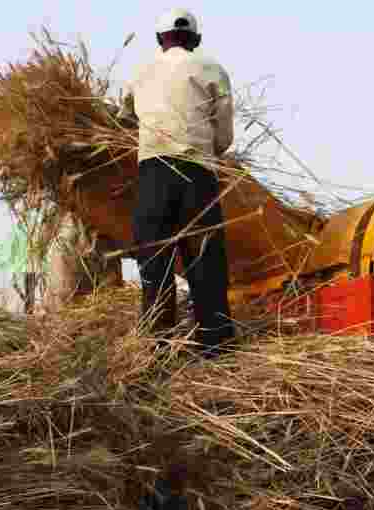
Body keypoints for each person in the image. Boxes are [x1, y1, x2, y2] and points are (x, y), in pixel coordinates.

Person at [121, 8, 236, 358]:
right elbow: (224, 134)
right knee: (206, 262)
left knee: (155, 262)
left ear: (160, 40)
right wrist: (209, 150)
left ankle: (158, 347)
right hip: (198, 175)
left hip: (154, 174)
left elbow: (125, 117)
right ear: (196, 39)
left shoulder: (139, 73)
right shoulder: (212, 70)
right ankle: (215, 346)